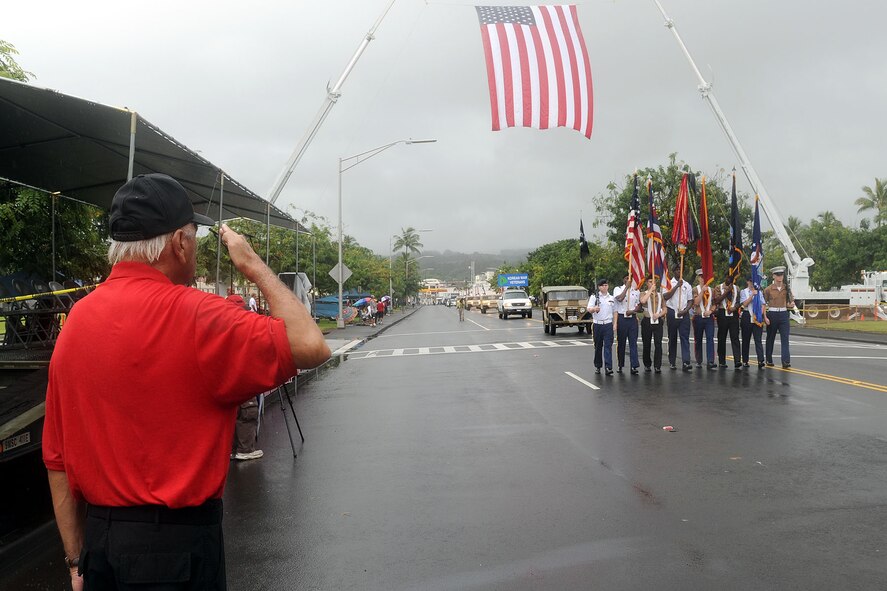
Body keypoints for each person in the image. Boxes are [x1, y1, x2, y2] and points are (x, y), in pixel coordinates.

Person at [42, 173, 331, 590]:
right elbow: (310, 344)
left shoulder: (77, 322)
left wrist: (75, 559)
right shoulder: (200, 317)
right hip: (176, 548)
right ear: (180, 242)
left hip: (101, 548)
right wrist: (254, 267)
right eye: (195, 236)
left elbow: (56, 457)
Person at [226, 294, 263, 462]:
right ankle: (245, 449)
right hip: (242, 377)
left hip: (226, 380)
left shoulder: (217, 327)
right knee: (247, 411)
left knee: (234, 414)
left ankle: (233, 448)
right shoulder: (239, 329)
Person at [663, 268, 693, 371]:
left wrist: (686, 311)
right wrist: (676, 286)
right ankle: (672, 361)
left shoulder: (687, 285)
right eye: (677, 270)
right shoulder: (668, 283)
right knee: (672, 337)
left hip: (684, 313)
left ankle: (686, 361)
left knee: (685, 338)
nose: (679, 272)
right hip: (672, 312)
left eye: (680, 270)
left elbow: (690, 300)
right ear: (673, 272)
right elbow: (665, 296)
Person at [764, 266, 794, 368]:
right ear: (773, 276)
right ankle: (769, 359)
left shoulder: (787, 289)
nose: (779, 277)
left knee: (785, 339)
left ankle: (785, 361)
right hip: (772, 314)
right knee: (770, 338)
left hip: (783, 314)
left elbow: (791, 303)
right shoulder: (768, 289)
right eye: (777, 275)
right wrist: (765, 317)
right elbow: (763, 303)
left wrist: (791, 304)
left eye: (781, 275)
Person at [613, 274, 641, 375]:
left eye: (630, 278)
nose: (628, 280)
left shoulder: (636, 291)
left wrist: (633, 311)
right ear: (623, 279)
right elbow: (619, 298)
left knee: (633, 343)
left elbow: (639, 305)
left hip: (632, 319)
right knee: (621, 343)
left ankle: (634, 365)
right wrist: (626, 287)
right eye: (626, 278)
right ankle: (620, 364)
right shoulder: (618, 289)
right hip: (622, 318)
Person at [713, 276, 742, 370]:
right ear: (725, 278)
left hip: (733, 314)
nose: (730, 280)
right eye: (728, 278)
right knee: (722, 338)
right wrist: (726, 291)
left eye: (731, 278)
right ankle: (722, 361)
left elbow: (739, 302)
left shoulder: (737, 288)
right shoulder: (719, 287)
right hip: (722, 313)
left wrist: (734, 308)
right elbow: (716, 300)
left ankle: (737, 360)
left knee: (735, 337)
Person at [588, 279, 616, 375]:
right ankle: (598, 366)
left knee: (608, 346)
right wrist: (594, 309)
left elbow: (615, 311)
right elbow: (589, 309)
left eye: (606, 285)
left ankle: (608, 367)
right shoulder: (594, 297)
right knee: (598, 346)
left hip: (608, 324)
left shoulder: (611, 298)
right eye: (602, 285)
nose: (605, 287)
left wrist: (615, 323)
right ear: (599, 287)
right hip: (598, 324)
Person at [640, 277, 666, 373]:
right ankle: (647, 364)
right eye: (650, 282)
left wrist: (659, 314)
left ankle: (657, 365)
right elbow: (643, 301)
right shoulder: (643, 293)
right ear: (647, 283)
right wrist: (651, 290)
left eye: (654, 282)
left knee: (658, 344)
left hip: (657, 320)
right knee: (646, 344)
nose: (653, 283)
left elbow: (664, 308)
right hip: (647, 320)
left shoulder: (660, 295)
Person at [739, 277, 767, 369]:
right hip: (747, 315)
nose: (752, 283)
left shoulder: (759, 292)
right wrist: (752, 296)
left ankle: (760, 360)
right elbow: (744, 304)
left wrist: (762, 315)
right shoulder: (744, 292)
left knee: (758, 339)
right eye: (750, 281)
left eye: (753, 281)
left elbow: (763, 304)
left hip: (757, 316)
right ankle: (745, 361)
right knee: (746, 340)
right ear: (747, 282)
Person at [692, 269, 717, 370]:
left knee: (710, 339)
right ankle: (699, 360)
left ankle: (710, 361)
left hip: (708, 317)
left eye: (704, 277)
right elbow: (696, 302)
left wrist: (711, 311)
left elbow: (715, 304)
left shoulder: (712, 290)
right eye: (701, 277)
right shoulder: (695, 289)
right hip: (698, 317)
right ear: (698, 278)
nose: (703, 279)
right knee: (698, 339)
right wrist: (702, 291)